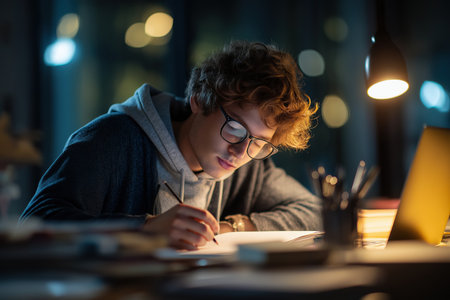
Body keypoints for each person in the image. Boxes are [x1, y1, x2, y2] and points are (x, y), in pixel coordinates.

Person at [20, 41, 321, 250]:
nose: (241, 152)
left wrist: (233, 227)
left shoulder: (246, 165)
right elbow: (35, 223)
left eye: (259, 143)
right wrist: (144, 229)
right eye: (234, 129)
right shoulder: (113, 139)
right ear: (200, 101)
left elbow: (314, 210)